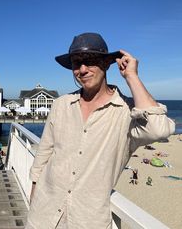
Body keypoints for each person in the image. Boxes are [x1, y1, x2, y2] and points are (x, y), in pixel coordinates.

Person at [26, 32, 175, 228]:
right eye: (76, 63)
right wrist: (34, 199)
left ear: (106, 64)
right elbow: (43, 155)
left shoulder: (126, 112)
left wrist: (132, 77)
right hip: (43, 213)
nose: (82, 69)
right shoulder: (62, 104)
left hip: (87, 219)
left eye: (90, 61)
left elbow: (158, 129)